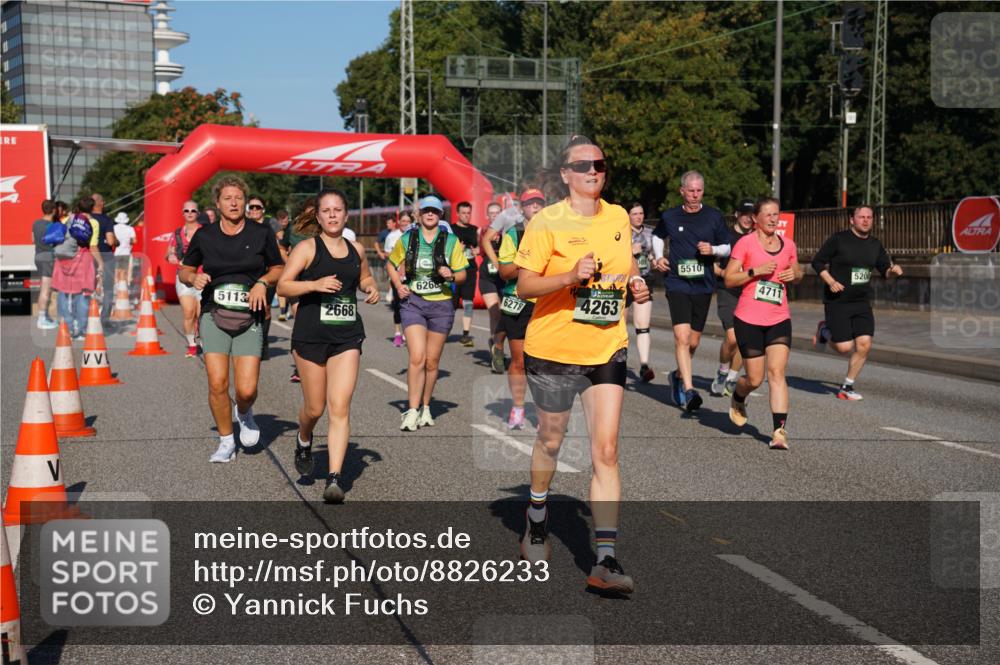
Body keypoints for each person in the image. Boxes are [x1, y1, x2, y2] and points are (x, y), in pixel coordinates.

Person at [514, 135, 649, 594]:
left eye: (601, 164)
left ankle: (605, 559)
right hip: (553, 349)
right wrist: (570, 276)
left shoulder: (616, 217)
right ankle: (536, 515)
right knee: (551, 441)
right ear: (566, 175)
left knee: (606, 451)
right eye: (584, 165)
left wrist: (635, 283)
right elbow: (524, 287)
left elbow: (625, 262)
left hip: (606, 346)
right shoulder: (546, 222)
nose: (594, 170)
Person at [277, 189, 380, 502]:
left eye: (338, 210)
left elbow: (364, 277)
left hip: (347, 336)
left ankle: (334, 479)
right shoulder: (308, 248)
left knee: (340, 406)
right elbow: (283, 285)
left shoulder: (356, 249)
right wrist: (313, 284)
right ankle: (304, 436)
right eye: (327, 210)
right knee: (315, 408)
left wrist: (370, 287)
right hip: (310, 336)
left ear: (346, 215)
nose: (333, 215)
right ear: (318, 216)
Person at [178, 176, 284, 463]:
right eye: (228, 198)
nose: (234, 203)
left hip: (251, 317)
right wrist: (193, 276)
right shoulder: (205, 235)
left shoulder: (261, 233)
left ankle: (244, 412)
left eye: (239, 198)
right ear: (217, 203)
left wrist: (263, 282)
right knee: (217, 383)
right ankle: (226, 441)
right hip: (214, 313)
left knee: (246, 389)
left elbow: (278, 267)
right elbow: (184, 270)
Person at [723, 197, 803, 450]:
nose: (772, 218)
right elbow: (728, 279)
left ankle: (779, 431)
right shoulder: (745, 244)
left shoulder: (788, 245)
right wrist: (754, 272)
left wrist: (795, 275)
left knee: (777, 373)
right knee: (755, 379)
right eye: (767, 214)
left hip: (779, 318)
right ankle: (738, 395)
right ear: (755, 218)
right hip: (748, 319)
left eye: (775, 214)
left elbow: (798, 270)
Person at [386, 195, 469, 431]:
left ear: (440, 215)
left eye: (434, 211)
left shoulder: (451, 241)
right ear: (419, 215)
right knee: (417, 357)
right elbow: (391, 264)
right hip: (414, 302)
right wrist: (398, 284)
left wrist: (450, 275)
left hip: (441, 305)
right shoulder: (408, 238)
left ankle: (425, 407)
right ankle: (411, 411)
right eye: (426, 211)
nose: (430, 214)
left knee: (432, 362)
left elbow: (463, 274)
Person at [652, 171, 731, 412]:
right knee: (682, 338)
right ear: (682, 191)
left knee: (694, 341)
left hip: (703, 285)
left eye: (699, 190)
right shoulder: (671, 215)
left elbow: (728, 248)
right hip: (677, 283)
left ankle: (677, 375)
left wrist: (713, 249)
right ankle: (688, 389)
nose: (695, 195)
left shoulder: (714, 217)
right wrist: (658, 257)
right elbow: (657, 235)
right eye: (691, 190)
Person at [811, 205, 903, 401]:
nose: (866, 220)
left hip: (861, 301)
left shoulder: (875, 244)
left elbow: (884, 270)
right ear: (852, 220)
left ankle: (847, 386)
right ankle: (824, 331)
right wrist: (831, 281)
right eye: (861, 217)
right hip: (838, 301)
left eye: (869, 217)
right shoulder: (839, 239)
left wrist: (892, 272)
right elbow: (817, 262)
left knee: (864, 344)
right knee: (844, 347)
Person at [496, 189, 545, 429]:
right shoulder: (514, 234)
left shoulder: (553, 233)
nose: (535, 207)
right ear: (522, 208)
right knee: (519, 361)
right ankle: (517, 407)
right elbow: (505, 272)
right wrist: (528, 262)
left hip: (547, 303)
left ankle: (546, 410)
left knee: (545, 361)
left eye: (539, 203)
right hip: (518, 301)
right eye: (530, 204)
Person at [710, 200, 755, 396]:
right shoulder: (725, 235)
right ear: (736, 214)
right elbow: (708, 260)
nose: (748, 218)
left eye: (752, 214)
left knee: (744, 338)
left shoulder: (757, 237)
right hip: (728, 289)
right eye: (744, 213)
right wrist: (722, 273)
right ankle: (722, 370)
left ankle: (732, 377)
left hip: (749, 292)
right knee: (732, 337)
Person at [52, 200, 99, 338]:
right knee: (83, 294)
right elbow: (93, 246)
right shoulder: (93, 223)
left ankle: (67, 328)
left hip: (64, 260)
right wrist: (100, 264)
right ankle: (82, 329)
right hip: (83, 260)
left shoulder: (67, 219)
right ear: (92, 208)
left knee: (64, 293)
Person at [167, 200, 203, 357]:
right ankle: (192, 344)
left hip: (203, 277)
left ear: (198, 213)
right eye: (187, 211)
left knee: (201, 314)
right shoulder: (176, 234)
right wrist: (172, 257)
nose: (190, 213)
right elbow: (168, 253)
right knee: (189, 312)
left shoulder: (205, 231)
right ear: (183, 213)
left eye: (193, 211)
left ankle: (203, 339)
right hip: (183, 278)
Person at [627, 202, 656, 383]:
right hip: (623, 281)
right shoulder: (620, 231)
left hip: (644, 280)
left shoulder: (650, 233)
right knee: (618, 325)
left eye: (641, 213)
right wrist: (630, 251)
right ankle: (616, 362)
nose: (639, 217)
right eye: (635, 213)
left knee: (643, 325)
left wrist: (655, 260)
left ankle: (644, 365)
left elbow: (653, 254)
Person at [479, 200, 508, 372]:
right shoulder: (482, 231)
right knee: (494, 311)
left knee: (506, 314)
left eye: (498, 212)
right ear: (487, 216)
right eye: (492, 213)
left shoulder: (510, 231)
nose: (495, 215)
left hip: (505, 278)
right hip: (488, 277)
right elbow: (479, 245)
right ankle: (498, 351)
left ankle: (496, 341)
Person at [247, 194, 276, 359]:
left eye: (258, 207)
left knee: (265, 309)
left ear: (263, 210)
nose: (255, 210)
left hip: (266, 275)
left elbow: (278, 249)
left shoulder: (269, 227)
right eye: (251, 207)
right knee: (247, 308)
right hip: (247, 274)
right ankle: (246, 341)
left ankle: (262, 343)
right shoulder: (241, 226)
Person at [450, 201, 480, 347]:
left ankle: (466, 334)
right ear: (457, 214)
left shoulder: (475, 230)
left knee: (468, 302)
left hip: (470, 270)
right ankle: (443, 331)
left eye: (469, 213)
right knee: (452, 304)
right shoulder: (451, 229)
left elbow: (481, 246)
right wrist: (457, 250)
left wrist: (478, 250)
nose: (466, 216)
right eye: (463, 213)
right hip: (454, 271)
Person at [383, 212, 412, 347]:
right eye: (403, 221)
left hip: (411, 276)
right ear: (398, 222)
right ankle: (397, 333)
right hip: (397, 276)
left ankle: (408, 333)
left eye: (408, 221)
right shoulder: (392, 236)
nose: (405, 223)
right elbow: (387, 254)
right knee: (398, 305)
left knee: (410, 305)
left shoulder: (415, 234)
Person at [90, 193, 118, 324]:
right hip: (105, 256)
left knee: (88, 287)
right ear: (102, 203)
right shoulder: (106, 220)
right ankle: (104, 319)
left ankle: (86, 316)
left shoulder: (85, 219)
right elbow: (111, 241)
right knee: (108, 288)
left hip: (88, 257)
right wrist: (116, 241)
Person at [31, 199, 59, 329]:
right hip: (48, 257)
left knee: (44, 287)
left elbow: (32, 240)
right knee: (46, 289)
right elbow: (57, 243)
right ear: (53, 210)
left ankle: (45, 316)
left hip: (38, 256)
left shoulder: (36, 223)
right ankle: (42, 319)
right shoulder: (53, 225)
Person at [274, 209, 292, 320]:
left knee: (289, 287)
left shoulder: (292, 229)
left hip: (291, 261)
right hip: (279, 261)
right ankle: (282, 312)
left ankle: (288, 309)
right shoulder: (276, 231)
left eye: (285, 218)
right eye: (281, 219)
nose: (283, 221)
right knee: (280, 286)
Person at [112, 211, 135, 292]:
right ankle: (125, 286)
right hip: (127, 252)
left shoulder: (113, 228)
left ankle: (116, 286)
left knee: (116, 270)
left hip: (117, 252)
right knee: (125, 270)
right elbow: (134, 241)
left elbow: (112, 240)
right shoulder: (130, 229)